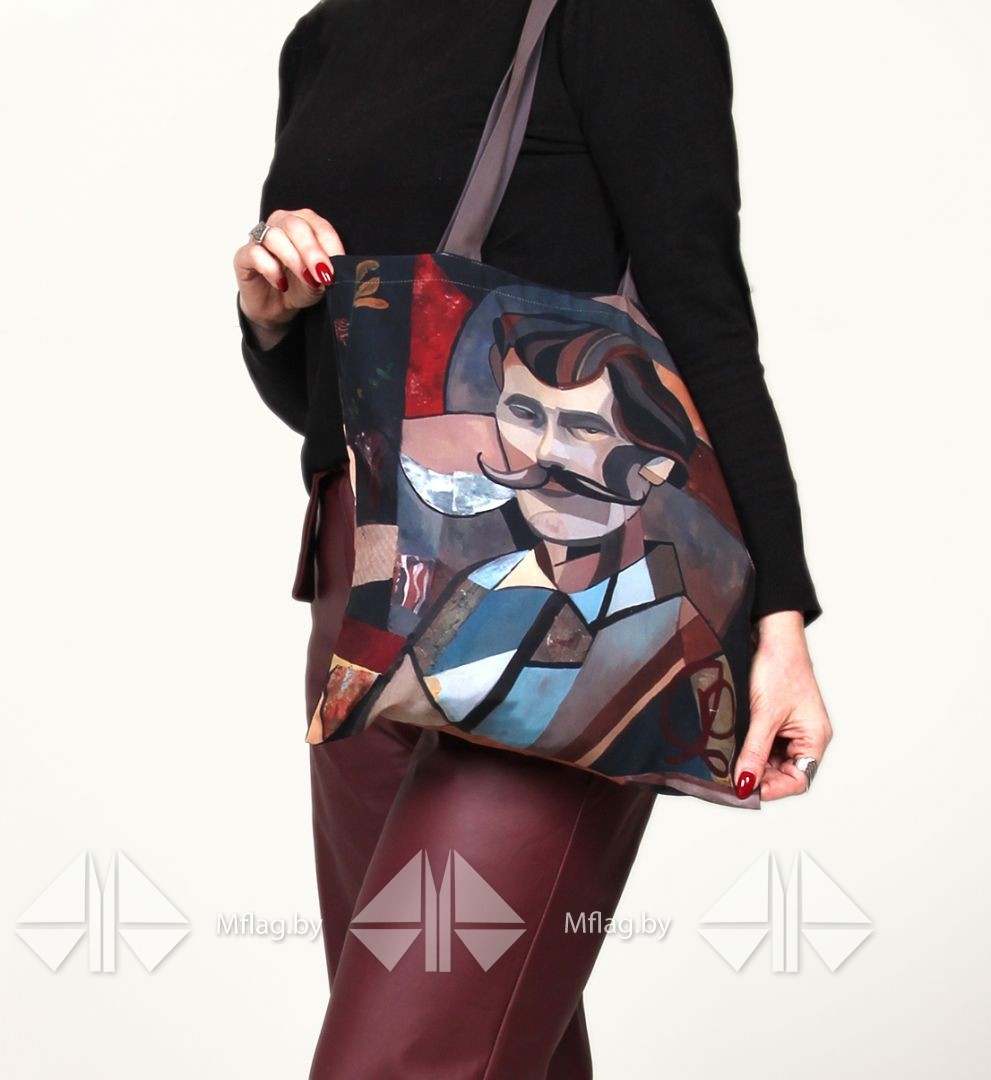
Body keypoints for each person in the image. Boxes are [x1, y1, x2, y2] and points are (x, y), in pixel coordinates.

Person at [231, 1, 833, 1076]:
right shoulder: (327, 35)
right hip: (363, 600)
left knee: (402, 1056)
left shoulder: (625, 16)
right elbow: (333, 405)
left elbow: (701, 315)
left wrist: (779, 613)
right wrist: (270, 315)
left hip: (580, 611)